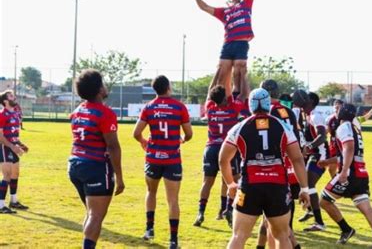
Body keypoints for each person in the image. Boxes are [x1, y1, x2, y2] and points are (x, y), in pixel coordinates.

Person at [219, 88, 310, 249]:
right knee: (282, 236)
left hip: (249, 186)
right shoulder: (283, 126)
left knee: (238, 236)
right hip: (278, 187)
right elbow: (297, 159)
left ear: (250, 106)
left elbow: (223, 159)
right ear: (268, 104)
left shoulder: (240, 126)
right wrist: (304, 188)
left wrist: (231, 184)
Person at [133, 75, 193, 249]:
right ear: (168, 87)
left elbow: (136, 133)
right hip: (172, 159)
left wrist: (143, 141)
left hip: (153, 158)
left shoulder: (149, 107)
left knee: (151, 192)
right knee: (173, 200)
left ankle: (149, 230)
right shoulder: (179, 107)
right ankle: (173, 240)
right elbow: (189, 134)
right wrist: (183, 139)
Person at [189, 0, 262, 100]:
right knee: (222, 70)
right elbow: (205, 7)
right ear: (228, 1)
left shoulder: (246, 4)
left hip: (241, 43)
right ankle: (217, 100)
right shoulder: (225, 12)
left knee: (240, 68)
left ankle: (241, 100)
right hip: (228, 44)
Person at [68, 70, 125, 249]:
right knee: (96, 215)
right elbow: (113, 146)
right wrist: (120, 178)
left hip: (75, 165)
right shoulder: (105, 113)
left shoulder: (78, 110)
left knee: (91, 212)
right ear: (99, 89)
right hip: (95, 167)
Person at [318, 103, 372, 247]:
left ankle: (346, 229)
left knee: (323, 201)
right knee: (366, 207)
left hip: (350, 173)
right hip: (361, 172)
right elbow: (346, 154)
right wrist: (327, 162)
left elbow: (349, 149)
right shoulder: (355, 128)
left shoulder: (344, 127)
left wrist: (343, 172)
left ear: (341, 114)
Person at [193, 71, 248, 228]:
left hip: (211, 148)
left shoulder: (210, 108)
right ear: (225, 98)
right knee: (232, 180)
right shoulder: (233, 108)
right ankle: (228, 209)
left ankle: (201, 212)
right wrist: (240, 75)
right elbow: (242, 94)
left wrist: (219, 71)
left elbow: (211, 90)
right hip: (228, 149)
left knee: (207, 182)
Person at [257, 80, 302, 249]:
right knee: (271, 219)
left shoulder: (266, 113)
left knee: (280, 227)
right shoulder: (288, 112)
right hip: (293, 170)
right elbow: (297, 141)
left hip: (277, 171)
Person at [299, 92, 328, 232]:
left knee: (309, 184)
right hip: (313, 154)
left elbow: (322, 136)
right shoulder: (308, 116)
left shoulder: (316, 116)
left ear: (311, 101)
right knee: (304, 183)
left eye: (305, 99)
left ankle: (319, 222)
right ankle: (311, 210)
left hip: (320, 154)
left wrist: (309, 147)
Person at [0, 90, 29, 214]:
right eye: (11, 96)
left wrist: (20, 144)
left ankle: (14, 201)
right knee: (6, 175)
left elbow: (13, 134)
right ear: (5, 101)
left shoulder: (15, 114)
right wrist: (12, 146)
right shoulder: (2, 114)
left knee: (15, 174)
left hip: (13, 146)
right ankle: (1, 205)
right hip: (4, 146)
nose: (14, 97)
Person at [325, 99, 344, 179]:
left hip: (344, 146)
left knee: (343, 167)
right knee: (331, 169)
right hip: (333, 146)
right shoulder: (330, 119)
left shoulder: (346, 118)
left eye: (338, 107)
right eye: (335, 107)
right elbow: (326, 132)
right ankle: (336, 181)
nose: (337, 109)